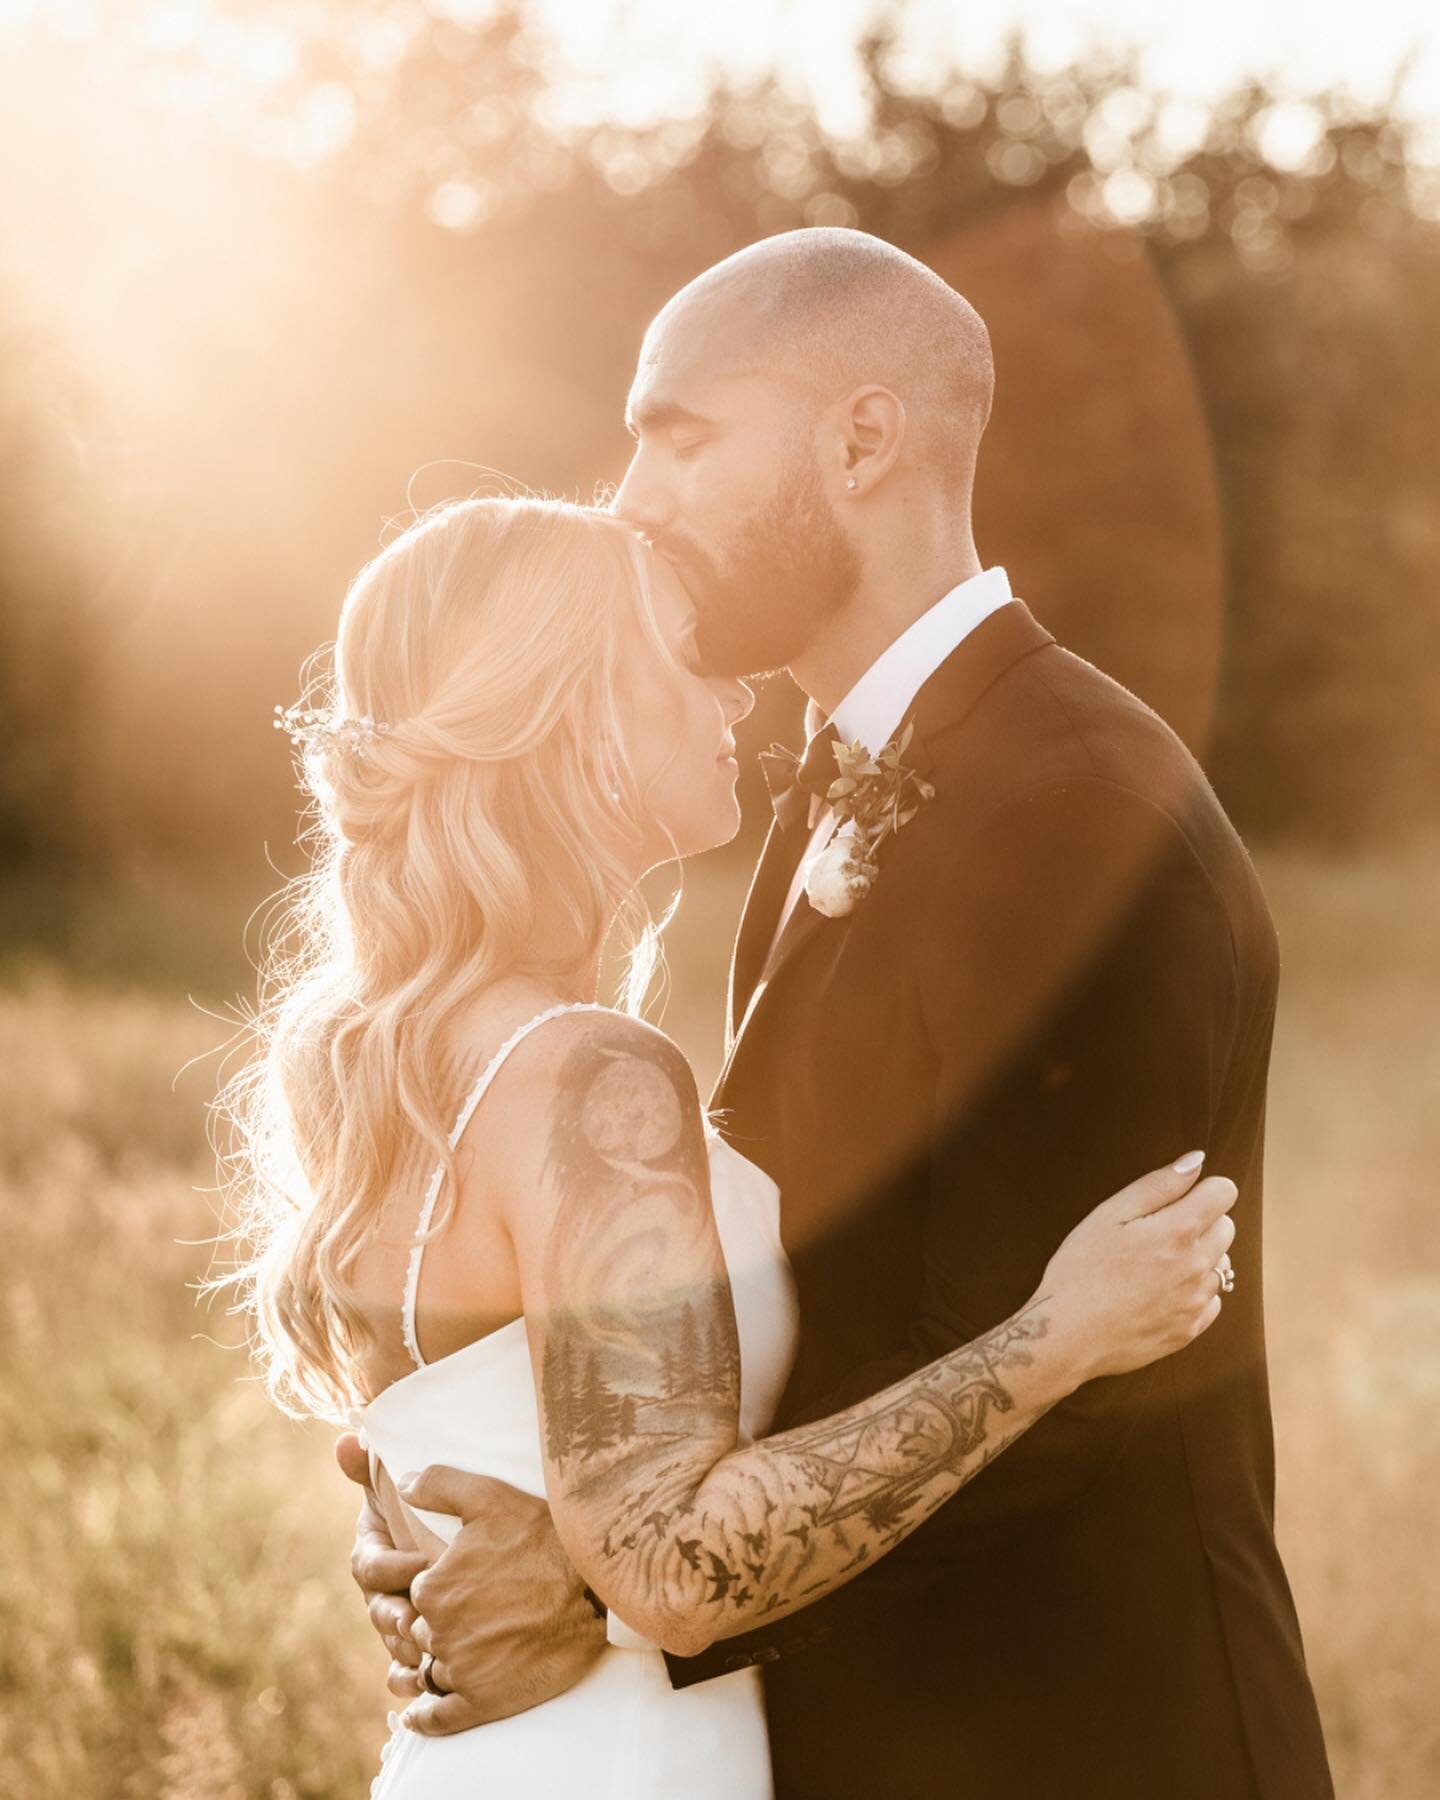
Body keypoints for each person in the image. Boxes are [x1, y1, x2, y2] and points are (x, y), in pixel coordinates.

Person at [343, 230, 1335, 1798]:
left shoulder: (1068, 801)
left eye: (681, 437)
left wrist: (597, 1581)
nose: (631, 500)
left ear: (862, 441)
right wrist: (559, 1498)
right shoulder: (830, 793)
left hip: (1078, 1738)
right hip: (880, 1727)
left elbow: (1074, 1389)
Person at [226, 492, 1238, 1797]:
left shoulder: (397, 1062)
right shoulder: (588, 1074)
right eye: (682, 659)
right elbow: (675, 1572)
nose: (735, 701)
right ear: (581, 723)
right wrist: (1060, 1337)